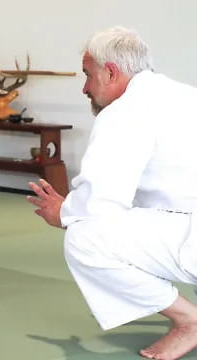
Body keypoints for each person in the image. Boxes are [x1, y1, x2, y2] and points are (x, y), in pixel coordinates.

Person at [27, 26, 197, 360]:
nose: (85, 88)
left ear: (110, 72)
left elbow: (100, 202)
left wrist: (62, 213)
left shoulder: (125, 111)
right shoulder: (187, 95)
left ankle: (189, 321)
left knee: (84, 237)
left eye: (88, 76)